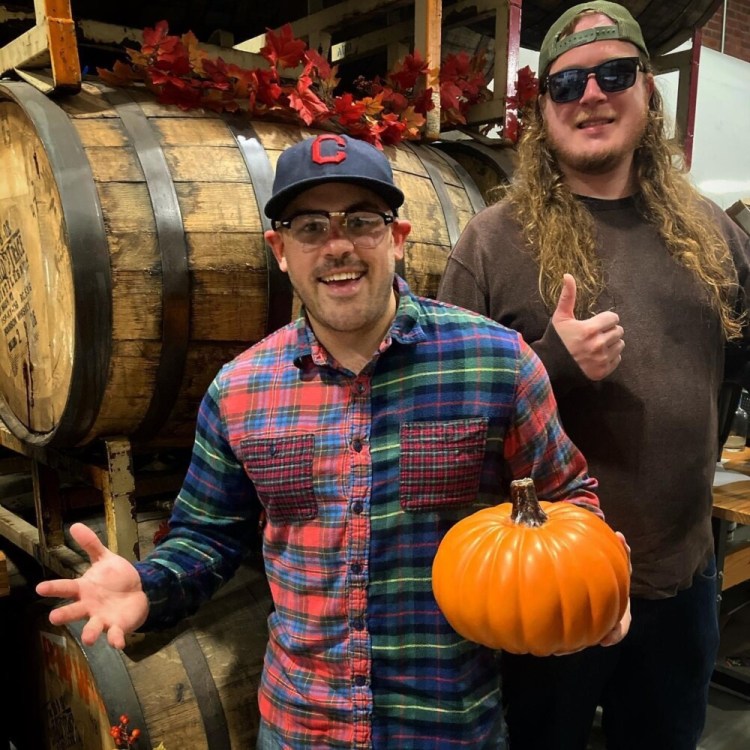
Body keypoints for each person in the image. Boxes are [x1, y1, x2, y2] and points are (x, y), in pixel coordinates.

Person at [36, 132, 629, 749]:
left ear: (397, 239)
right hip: (299, 730)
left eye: (363, 221)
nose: (338, 245)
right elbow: (207, 536)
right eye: (311, 226)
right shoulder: (239, 390)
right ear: (280, 250)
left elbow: (567, 498)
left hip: (448, 729)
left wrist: (598, 574)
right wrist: (148, 584)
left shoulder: (497, 364)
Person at [437, 2, 750, 749]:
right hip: (541, 594)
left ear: (648, 92)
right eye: (567, 83)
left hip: (681, 576)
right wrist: (549, 367)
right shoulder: (490, 244)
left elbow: (738, 369)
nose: (592, 96)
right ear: (543, 110)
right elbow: (441, 421)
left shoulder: (713, 233)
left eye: (614, 74)